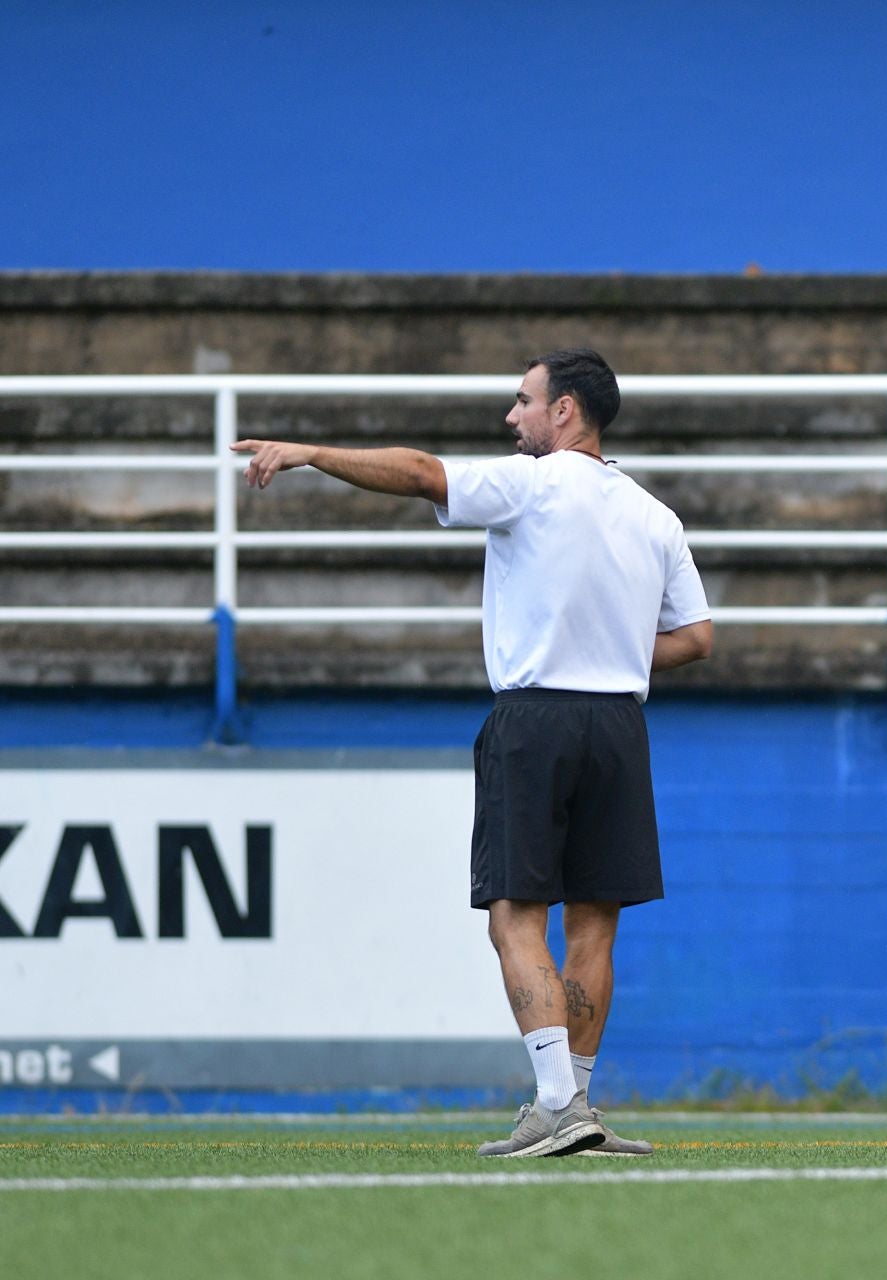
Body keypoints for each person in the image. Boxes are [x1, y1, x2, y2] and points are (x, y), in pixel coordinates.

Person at [233, 348, 713, 1158]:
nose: (511, 418)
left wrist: (312, 453)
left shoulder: (531, 483)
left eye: (523, 402)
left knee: (514, 916)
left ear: (565, 413)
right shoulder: (654, 514)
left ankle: (556, 1104)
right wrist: (619, 652)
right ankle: (579, 1104)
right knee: (593, 927)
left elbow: (422, 473)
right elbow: (697, 639)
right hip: (619, 728)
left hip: (535, 721)